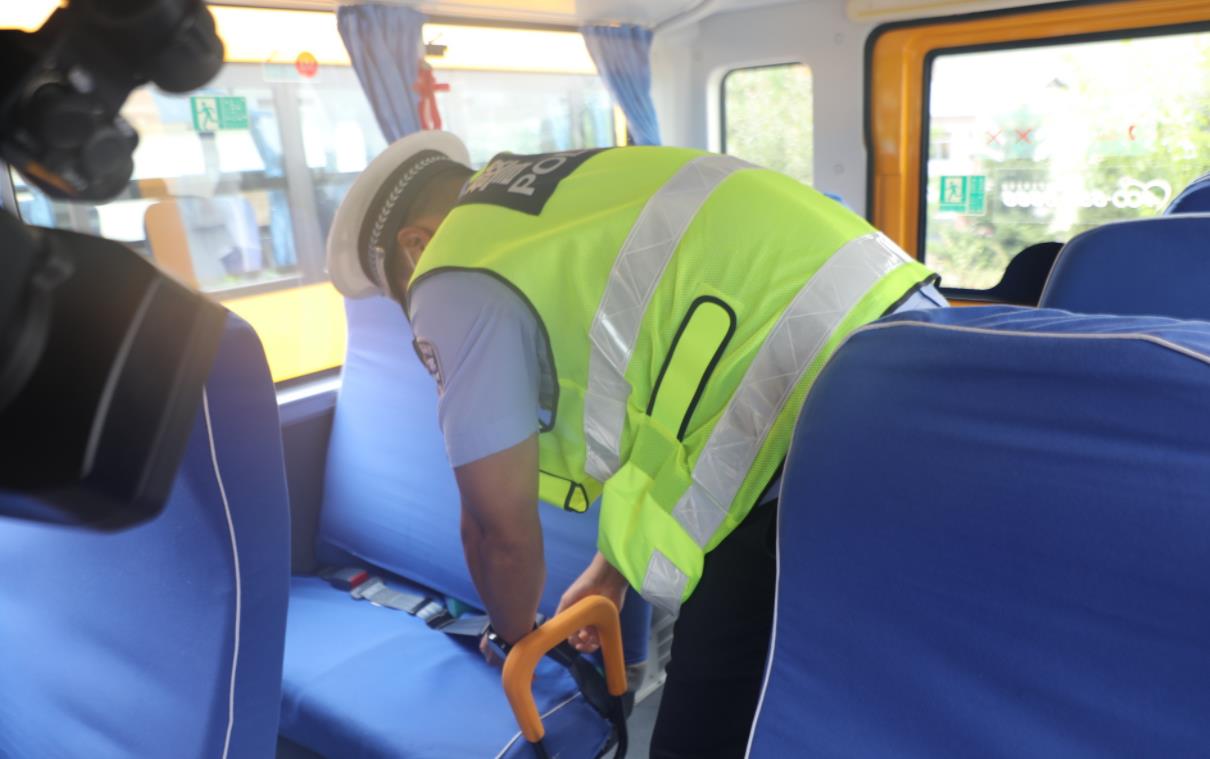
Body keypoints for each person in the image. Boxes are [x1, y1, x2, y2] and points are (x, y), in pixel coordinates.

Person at [326, 131, 945, 758]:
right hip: (915, 341)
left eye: (403, 296)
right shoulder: (559, 199)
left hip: (821, 398)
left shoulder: (452, 265)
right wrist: (609, 574)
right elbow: (675, 405)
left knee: (700, 732)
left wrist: (514, 639)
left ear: (417, 245)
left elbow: (496, 530)